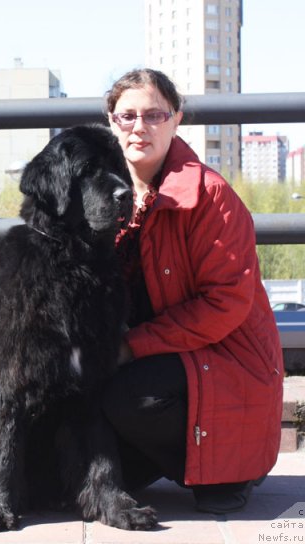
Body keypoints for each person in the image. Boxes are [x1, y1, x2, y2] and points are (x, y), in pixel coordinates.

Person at [101, 68, 284, 514]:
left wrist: (132, 346)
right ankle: (174, 460)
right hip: (160, 353)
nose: (139, 127)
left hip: (225, 358)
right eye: (127, 116)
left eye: (154, 115)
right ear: (111, 121)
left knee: (128, 396)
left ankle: (231, 470)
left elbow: (225, 304)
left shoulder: (211, 196)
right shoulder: (101, 191)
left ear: (176, 119)